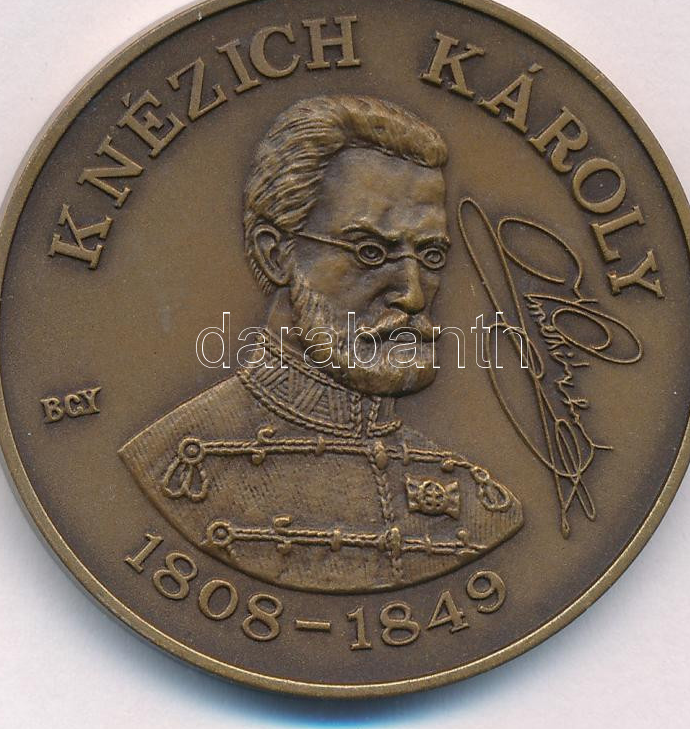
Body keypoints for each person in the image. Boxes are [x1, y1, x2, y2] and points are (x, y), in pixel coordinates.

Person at [119, 95, 522, 593]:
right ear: (276, 255)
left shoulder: (480, 503)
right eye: (371, 252)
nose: (414, 294)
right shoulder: (176, 464)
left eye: (431, 255)